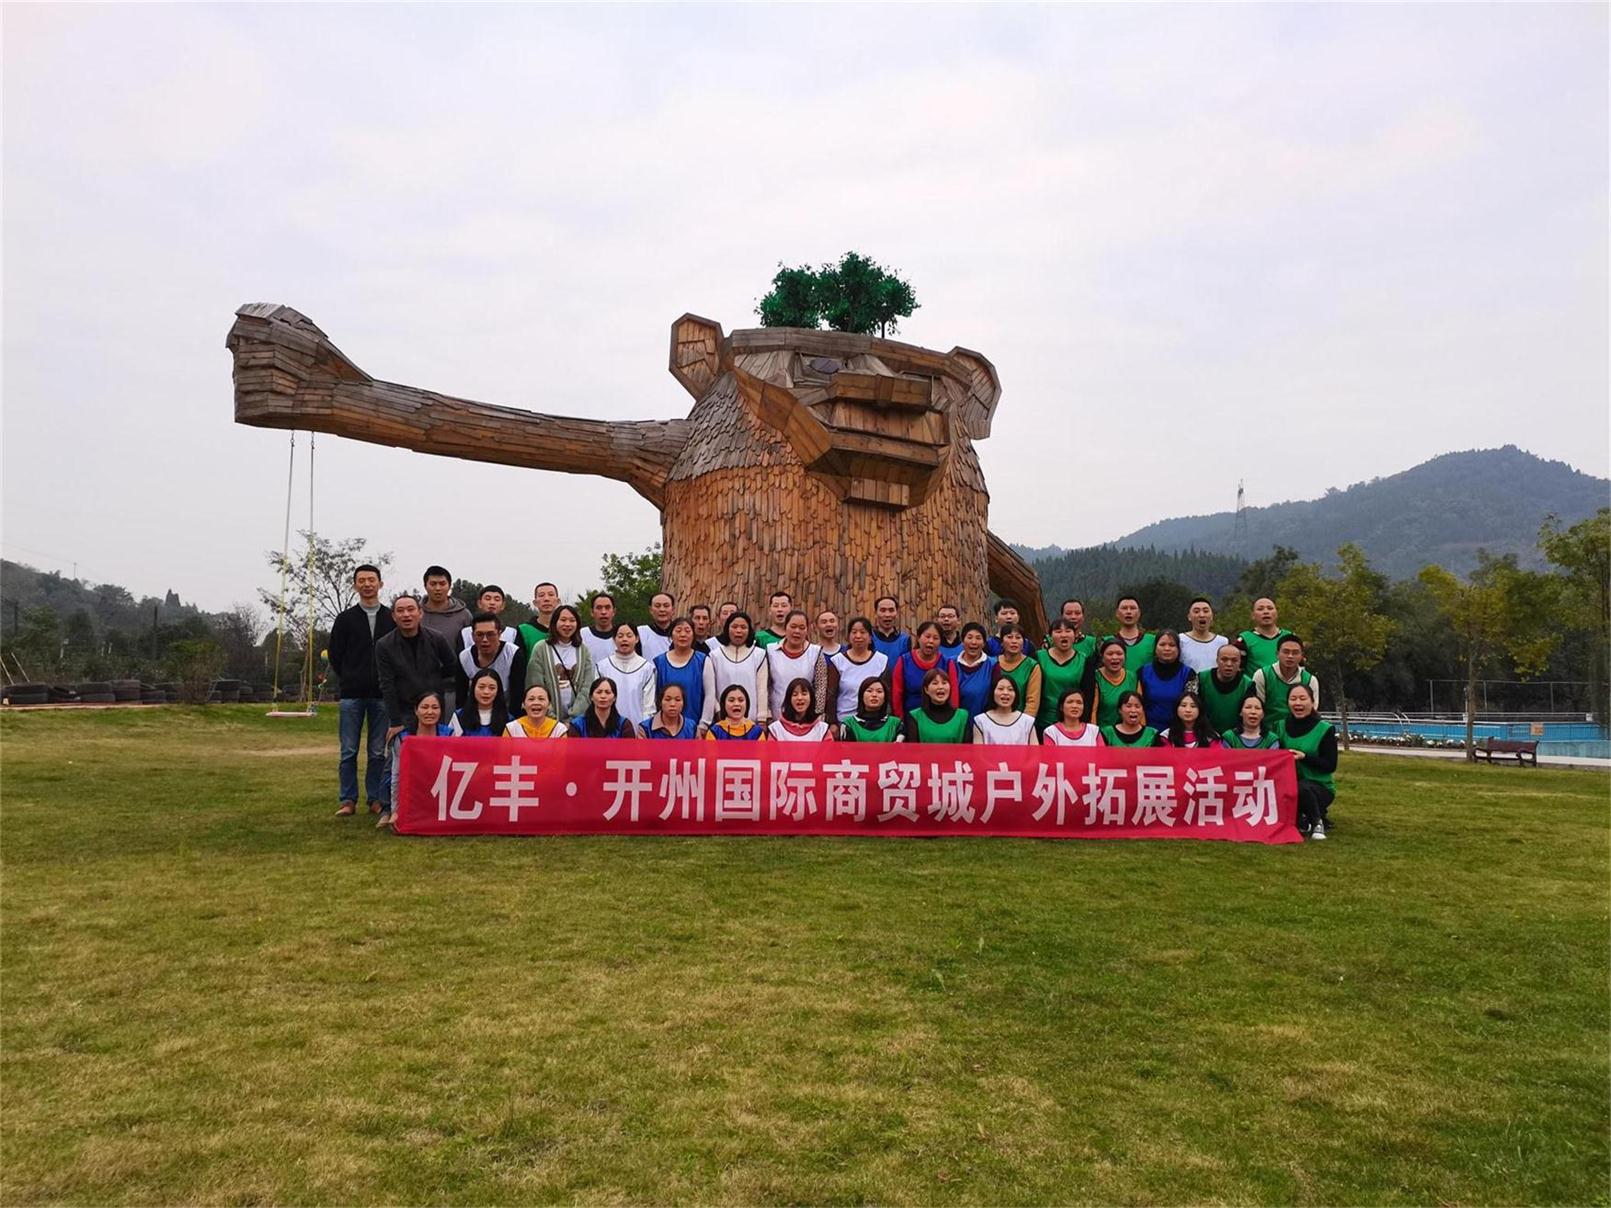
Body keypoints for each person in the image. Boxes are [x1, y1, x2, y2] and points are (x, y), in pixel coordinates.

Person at [375, 593, 456, 820]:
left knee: (434, 757)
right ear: (393, 616)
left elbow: (452, 666)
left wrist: (434, 685)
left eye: (411, 609)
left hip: (432, 706)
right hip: (403, 709)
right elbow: (386, 684)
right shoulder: (384, 645)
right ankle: (388, 807)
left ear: (420, 613)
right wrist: (395, 721)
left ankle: (431, 803)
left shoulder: (436, 638)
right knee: (395, 759)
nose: (406, 615)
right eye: (400, 611)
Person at [328, 563, 395, 817]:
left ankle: (375, 798)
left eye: (371, 580)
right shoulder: (345, 619)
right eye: (362, 580)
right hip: (352, 694)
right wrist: (349, 677)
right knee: (348, 750)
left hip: (382, 695)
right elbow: (335, 654)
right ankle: (347, 799)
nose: (367, 584)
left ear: (380, 584)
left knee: (378, 751)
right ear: (355, 585)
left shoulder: (391, 617)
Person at [382, 689, 461, 827]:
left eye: (435, 708)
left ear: (441, 711)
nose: (430, 712)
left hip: (440, 790)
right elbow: (396, 775)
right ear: (416, 710)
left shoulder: (449, 735)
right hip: (412, 790)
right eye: (424, 707)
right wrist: (396, 810)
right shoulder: (403, 738)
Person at [1276, 682, 1338, 839]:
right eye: (1293, 699)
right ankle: (1304, 818)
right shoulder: (1279, 727)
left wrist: (1305, 758)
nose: (1298, 703)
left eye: (1302, 698)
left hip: (1319, 787)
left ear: (1312, 702)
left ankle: (1317, 822)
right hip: (1287, 786)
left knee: (1302, 788)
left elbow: (1330, 765)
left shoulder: (1325, 729)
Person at [527, 605, 596, 719]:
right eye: (563, 620)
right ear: (554, 623)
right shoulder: (541, 648)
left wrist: (573, 717)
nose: (567, 624)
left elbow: (587, 686)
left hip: (576, 720)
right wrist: (552, 718)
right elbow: (535, 684)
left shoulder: (583, 650)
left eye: (572, 620)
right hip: (546, 719)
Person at [766, 609, 832, 723]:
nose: (797, 631)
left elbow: (821, 687)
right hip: (777, 717)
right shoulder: (771, 651)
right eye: (793, 627)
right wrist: (766, 715)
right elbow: (766, 685)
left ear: (807, 630)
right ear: (785, 627)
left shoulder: (816, 652)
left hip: (807, 719)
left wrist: (816, 715)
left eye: (802, 628)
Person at [653, 617, 716, 732]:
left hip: (695, 728)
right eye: (678, 630)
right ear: (671, 635)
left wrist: (704, 724)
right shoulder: (659, 663)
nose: (683, 634)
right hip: (664, 728)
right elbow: (654, 697)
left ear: (693, 635)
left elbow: (710, 695)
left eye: (687, 631)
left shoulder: (703, 661)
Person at [456, 611, 526, 714]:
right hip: (474, 713)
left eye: (490, 634)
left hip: (506, 712)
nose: (485, 640)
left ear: (499, 634)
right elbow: (461, 697)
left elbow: (517, 694)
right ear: (472, 636)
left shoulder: (513, 654)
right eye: (479, 634)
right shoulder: (464, 657)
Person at [710, 610, 771, 723]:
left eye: (743, 627)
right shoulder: (715, 655)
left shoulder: (759, 655)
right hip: (722, 721)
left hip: (751, 721)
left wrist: (762, 718)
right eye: (734, 627)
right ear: (727, 629)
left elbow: (762, 689)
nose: (738, 631)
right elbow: (710, 689)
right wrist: (718, 710)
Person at [890, 621, 956, 718]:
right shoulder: (904, 661)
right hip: (910, 719)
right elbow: (896, 694)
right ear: (918, 638)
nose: (931, 641)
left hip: (942, 720)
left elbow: (954, 696)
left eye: (935, 638)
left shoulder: (947, 663)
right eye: (927, 636)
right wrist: (900, 719)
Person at [828, 616, 888, 723]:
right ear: (848, 637)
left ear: (870, 637)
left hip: (875, 721)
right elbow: (831, 696)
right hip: (845, 720)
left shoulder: (881, 661)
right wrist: (833, 722)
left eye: (862, 632)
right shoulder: (837, 661)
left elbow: (887, 695)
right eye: (854, 632)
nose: (858, 636)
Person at [1253, 635, 1320, 728]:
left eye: (1295, 653)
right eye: (1286, 652)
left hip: (1299, 731)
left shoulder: (1310, 680)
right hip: (1268, 731)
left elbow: (1312, 711)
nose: (1290, 656)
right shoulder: (1262, 675)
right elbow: (1256, 708)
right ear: (1277, 654)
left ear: (1302, 656)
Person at [1034, 619, 1089, 733]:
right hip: (1043, 721)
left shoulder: (1084, 660)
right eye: (1058, 631)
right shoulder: (1039, 657)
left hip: (1073, 722)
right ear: (1050, 636)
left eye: (1068, 631)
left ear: (1075, 635)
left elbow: (1088, 694)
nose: (1063, 635)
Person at [600, 620, 656, 722]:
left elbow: (649, 706)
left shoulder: (647, 668)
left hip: (638, 725)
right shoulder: (602, 667)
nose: (624, 639)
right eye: (620, 636)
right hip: (608, 725)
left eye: (629, 636)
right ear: (614, 639)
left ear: (637, 639)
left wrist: (644, 727)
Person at [1198, 642, 1256, 738]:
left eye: (1234, 660)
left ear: (1240, 662)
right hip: (1205, 735)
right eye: (1224, 659)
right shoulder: (1201, 679)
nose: (1229, 664)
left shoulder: (1248, 684)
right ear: (1217, 660)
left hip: (1236, 737)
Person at [1139, 630, 1193, 732]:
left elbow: (1192, 706)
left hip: (1179, 731)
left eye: (1172, 645)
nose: (1167, 648)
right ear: (1155, 648)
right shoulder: (1143, 672)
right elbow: (1137, 704)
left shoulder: (1188, 674)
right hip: (1149, 731)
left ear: (1178, 649)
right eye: (1162, 644)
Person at [900, 668, 971, 743]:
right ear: (926, 689)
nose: (940, 687)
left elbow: (967, 748)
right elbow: (913, 748)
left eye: (944, 683)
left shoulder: (963, 716)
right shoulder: (915, 716)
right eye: (935, 683)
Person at [972, 672, 1036, 745]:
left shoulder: (1027, 722)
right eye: (1000, 689)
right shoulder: (980, 721)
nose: (1005, 693)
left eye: (1010, 689)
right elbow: (978, 751)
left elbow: (1035, 751)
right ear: (993, 692)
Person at [1089, 637, 1141, 727]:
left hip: (1129, 730)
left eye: (1119, 653)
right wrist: (1094, 733)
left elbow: (1140, 708)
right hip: (1104, 731)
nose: (1115, 657)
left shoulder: (1133, 677)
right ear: (1102, 657)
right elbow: (1092, 711)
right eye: (1110, 654)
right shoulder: (1095, 677)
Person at [994, 623, 1042, 718]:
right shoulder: (992, 663)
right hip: (994, 718)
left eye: (1018, 637)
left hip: (1022, 720)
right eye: (1009, 637)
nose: (1014, 641)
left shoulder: (1032, 666)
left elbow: (1032, 702)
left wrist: (1023, 723)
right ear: (1001, 642)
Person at [419, 565, 471, 650]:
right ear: (425, 586)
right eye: (433, 584)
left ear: (449, 586)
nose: (438, 588)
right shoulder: (415, 614)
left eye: (442, 584)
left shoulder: (464, 615)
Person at [569, 677, 639, 739]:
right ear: (591, 697)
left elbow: (629, 749)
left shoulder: (624, 725)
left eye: (608, 692)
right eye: (599, 692)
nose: (603, 696)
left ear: (614, 697)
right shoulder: (577, 725)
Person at [952, 622, 997, 719]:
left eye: (978, 638)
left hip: (983, 722)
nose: (973, 642)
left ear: (984, 643)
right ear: (962, 641)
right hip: (954, 722)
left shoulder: (993, 665)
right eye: (969, 637)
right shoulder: (950, 663)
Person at [767, 677, 833, 742]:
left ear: (811, 698)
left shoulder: (823, 730)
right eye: (795, 694)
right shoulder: (776, 730)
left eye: (804, 694)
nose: (799, 698)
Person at [1240, 598, 1294, 676]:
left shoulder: (1290, 637)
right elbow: (1237, 670)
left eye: (1270, 608)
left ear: (1277, 613)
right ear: (1253, 615)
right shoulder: (1243, 640)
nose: (1266, 612)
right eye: (1260, 609)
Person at [838, 677, 901, 743]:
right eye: (869, 691)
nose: (874, 695)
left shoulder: (896, 724)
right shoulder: (848, 724)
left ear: (885, 697)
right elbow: (845, 748)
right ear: (861, 696)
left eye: (879, 691)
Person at [1179, 597, 1229, 674]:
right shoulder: (1180, 640)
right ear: (1189, 617)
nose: (1201, 615)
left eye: (1206, 611)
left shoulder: (1223, 642)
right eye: (1196, 611)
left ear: (1212, 616)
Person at [1109, 596, 1156, 674]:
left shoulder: (1153, 641)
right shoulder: (1107, 642)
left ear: (1139, 613)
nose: (1128, 612)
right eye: (1124, 608)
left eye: (1133, 608)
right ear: (1117, 613)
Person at [460, 585, 518, 649]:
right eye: (488, 599)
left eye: (497, 600)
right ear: (479, 603)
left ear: (503, 605)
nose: (492, 603)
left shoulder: (512, 633)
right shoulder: (465, 633)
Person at [456, 668, 509, 737]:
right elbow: (450, 742)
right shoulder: (458, 716)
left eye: (492, 688)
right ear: (473, 688)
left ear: (498, 691)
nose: (486, 692)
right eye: (481, 687)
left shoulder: (508, 719)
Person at [518, 581, 562, 648]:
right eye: (541, 595)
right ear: (535, 603)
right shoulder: (523, 630)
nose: (546, 599)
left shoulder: (565, 628)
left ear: (558, 601)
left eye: (551, 595)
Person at [580, 592, 620, 666]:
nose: (603, 612)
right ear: (592, 612)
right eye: (599, 608)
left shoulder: (621, 636)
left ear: (614, 612)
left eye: (607, 607)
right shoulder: (582, 635)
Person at [637, 591, 677, 662]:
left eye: (666, 606)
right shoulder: (641, 632)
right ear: (650, 610)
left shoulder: (681, 634)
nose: (662, 610)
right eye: (657, 606)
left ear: (673, 610)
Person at [870, 595, 911, 662]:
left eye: (891, 610)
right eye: (883, 610)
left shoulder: (904, 640)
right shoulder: (869, 638)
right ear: (875, 613)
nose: (887, 615)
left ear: (897, 613)